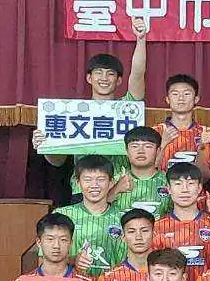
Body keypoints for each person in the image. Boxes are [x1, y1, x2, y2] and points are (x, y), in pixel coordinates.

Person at [34, 23, 149, 186]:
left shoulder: (127, 108)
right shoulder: (72, 113)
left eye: (110, 74)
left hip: (122, 189)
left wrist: (141, 40)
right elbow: (57, 161)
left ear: (119, 81)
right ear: (89, 78)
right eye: (98, 73)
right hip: (84, 191)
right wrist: (46, 145)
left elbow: (137, 74)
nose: (104, 78)